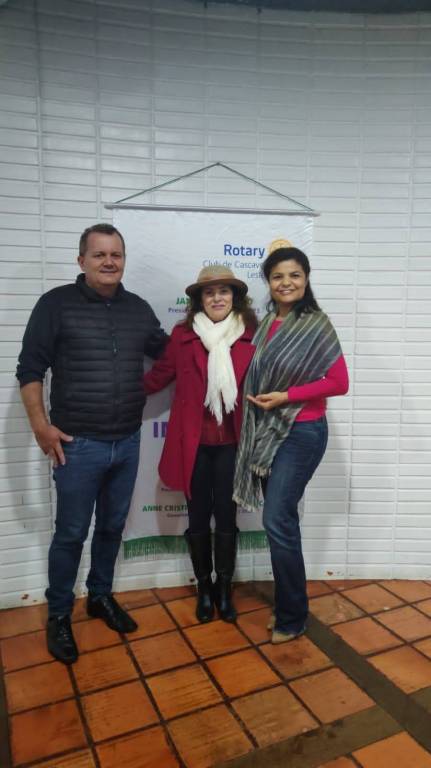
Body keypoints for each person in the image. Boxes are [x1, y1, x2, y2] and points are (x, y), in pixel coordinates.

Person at [16, 223, 168, 664]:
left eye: (116, 254)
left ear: (124, 260)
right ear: (81, 260)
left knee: (111, 527)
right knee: (70, 534)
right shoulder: (55, 304)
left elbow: (170, 352)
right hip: (77, 445)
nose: (108, 262)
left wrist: (213, 331)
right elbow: (30, 369)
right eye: (99, 254)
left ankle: (100, 595)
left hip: (128, 441)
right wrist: (40, 427)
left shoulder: (138, 309)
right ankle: (59, 615)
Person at [234, 241, 349, 644]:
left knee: (277, 520)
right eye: (278, 276)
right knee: (282, 521)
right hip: (269, 432)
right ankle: (289, 606)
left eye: (294, 275)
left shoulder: (316, 324)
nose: (286, 282)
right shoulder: (268, 322)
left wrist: (287, 396)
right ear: (268, 282)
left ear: (306, 279)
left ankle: (292, 617)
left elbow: (339, 382)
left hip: (302, 432)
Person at [144, 265, 257, 623]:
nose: (217, 298)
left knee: (226, 516)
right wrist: (118, 392)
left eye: (224, 291)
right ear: (199, 300)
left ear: (235, 297)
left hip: (232, 445)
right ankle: (204, 588)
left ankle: (224, 587)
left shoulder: (252, 335)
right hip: (192, 445)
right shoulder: (183, 336)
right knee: (196, 518)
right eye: (209, 292)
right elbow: (159, 376)